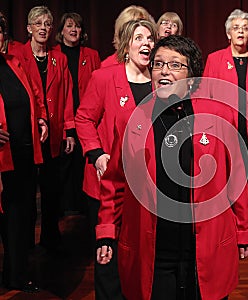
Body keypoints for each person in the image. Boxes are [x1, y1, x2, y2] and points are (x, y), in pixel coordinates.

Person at [95, 34, 248, 300]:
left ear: (192, 76)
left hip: (205, 247)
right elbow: (114, 182)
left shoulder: (218, 116)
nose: (163, 71)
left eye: (174, 65)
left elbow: (236, 179)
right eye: (158, 64)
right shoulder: (132, 119)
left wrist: (245, 228)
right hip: (153, 249)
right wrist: (106, 231)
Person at [75, 19, 157, 299]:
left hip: (149, 191)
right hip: (112, 187)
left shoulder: (161, 83)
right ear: (126, 45)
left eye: (150, 39)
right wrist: (97, 154)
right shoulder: (104, 78)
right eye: (139, 38)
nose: (146, 43)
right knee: (109, 261)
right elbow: (83, 118)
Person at [11, 5, 75, 253]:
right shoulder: (17, 56)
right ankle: (24, 241)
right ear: (29, 28)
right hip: (28, 134)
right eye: (38, 24)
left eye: (47, 24)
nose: (43, 28)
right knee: (27, 190)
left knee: (52, 189)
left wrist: (69, 129)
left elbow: (67, 95)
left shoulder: (59, 58)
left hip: (54, 133)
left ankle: (51, 235)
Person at [203, 9, 248, 220]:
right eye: (236, 28)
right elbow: (206, 95)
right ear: (228, 34)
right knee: (228, 176)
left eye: (244, 28)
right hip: (225, 128)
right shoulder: (214, 60)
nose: (240, 32)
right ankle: (230, 219)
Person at [0, 15, 48, 293]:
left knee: (19, 219)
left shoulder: (13, 62)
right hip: (1, 159)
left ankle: (16, 274)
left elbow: (33, 95)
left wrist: (40, 118)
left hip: (23, 155)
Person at [54, 12, 101, 214]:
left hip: (87, 115)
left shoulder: (91, 55)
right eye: (69, 26)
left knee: (84, 163)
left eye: (78, 26)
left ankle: (82, 205)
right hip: (62, 113)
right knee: (64, 163)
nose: (74, 30)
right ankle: (65, 206)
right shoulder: (54, 53)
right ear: (61, 30)